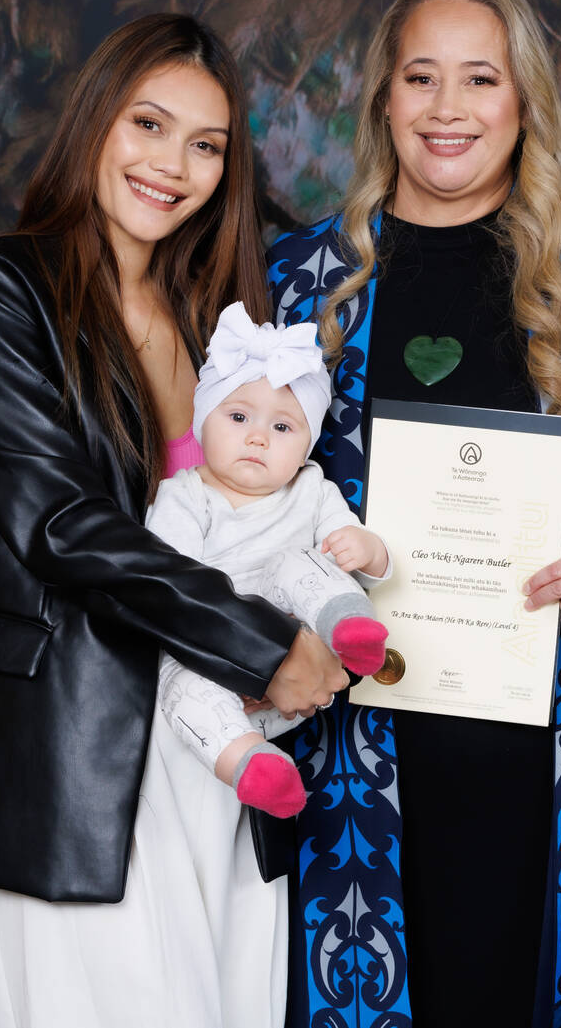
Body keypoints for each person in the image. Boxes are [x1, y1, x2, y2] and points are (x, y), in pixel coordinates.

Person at [0, 14, 348, 1028]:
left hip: (231, 749)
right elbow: (57, 525)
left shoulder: (219, 321)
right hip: (85, 751)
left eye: (206, 145)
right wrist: (265, 645)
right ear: (95, 122)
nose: (172, 165)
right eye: (149, 124)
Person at [266, 0, 561, 1027]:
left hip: (560, 739)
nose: (447, 108)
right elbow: (239, 487)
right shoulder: (301, 283)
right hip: (359, 746)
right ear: (383, 97)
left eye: (480, 79)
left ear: (525, 101)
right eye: (420, 77)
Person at [148, 301, 391, 819]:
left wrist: (368, 551)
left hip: (300, 675)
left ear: (306, 447)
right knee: (181, 692)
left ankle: (354, 631)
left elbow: (358, 552)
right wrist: (241, 657)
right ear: (201, 423)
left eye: (283, 428)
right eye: (237, 417)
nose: (258, 437)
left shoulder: (310, 489)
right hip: (217, 670)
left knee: (297, 565)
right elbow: (173, 589)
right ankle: (254, 767)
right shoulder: (183, 496)